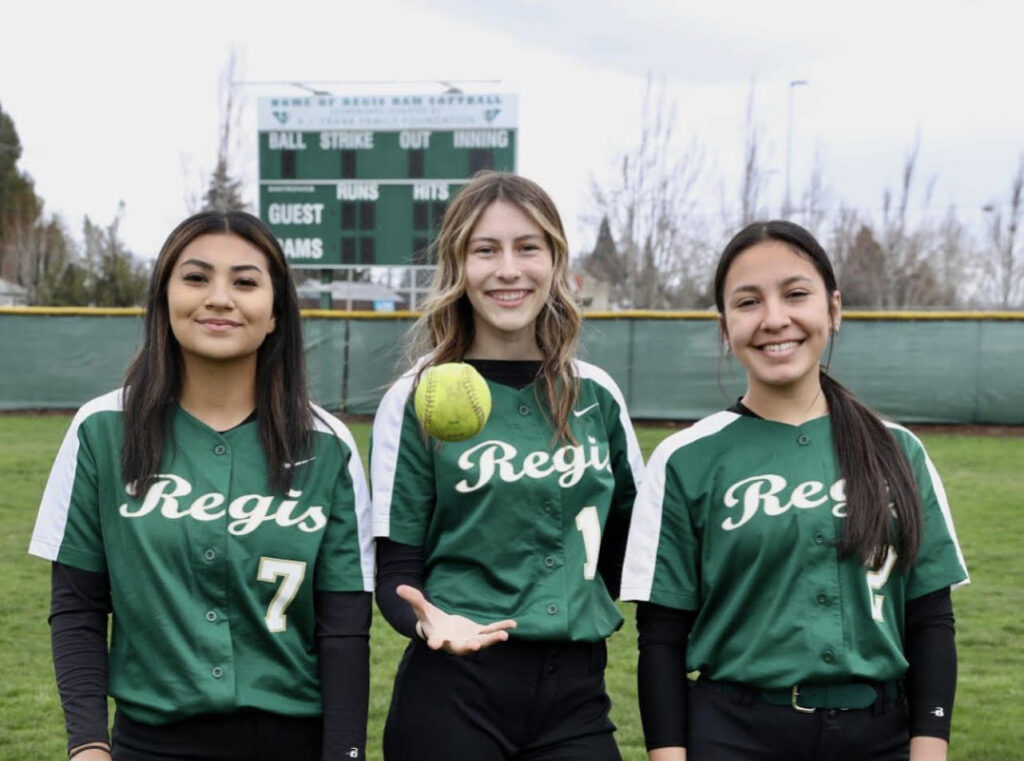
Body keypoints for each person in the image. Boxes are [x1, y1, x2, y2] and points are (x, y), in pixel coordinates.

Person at [29, 211, 374, 761]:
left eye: (244, 281)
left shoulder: (327, 443)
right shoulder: (101, 428)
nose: (219, 297)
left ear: (275, 312)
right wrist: (88, 745)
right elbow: (78, 605)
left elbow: (344, 628)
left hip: (292, 743)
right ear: (163, 300)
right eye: (195, 278)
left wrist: (347, 753)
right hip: (151, 743)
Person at [620, 220, 970, 761]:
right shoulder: (685, 458)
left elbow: (930, 621)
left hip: (880, 735)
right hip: (734, 733)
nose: (774, 318)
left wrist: (929, 750)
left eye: (795, 294)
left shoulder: (898, 450)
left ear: (834, 309)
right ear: (724, 327)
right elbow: (661, 639)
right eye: (748, 302)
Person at [370, 171, 644, 761]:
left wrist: (577, 593)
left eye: (528, 247)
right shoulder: (413, 396)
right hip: (454, 692)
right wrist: (429, 622)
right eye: (485, 249)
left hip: (577, 693)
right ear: (457, 266)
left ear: (555, 261)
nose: (508, 269)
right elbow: (397, 565)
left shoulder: (596, 394)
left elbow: (634, 547)